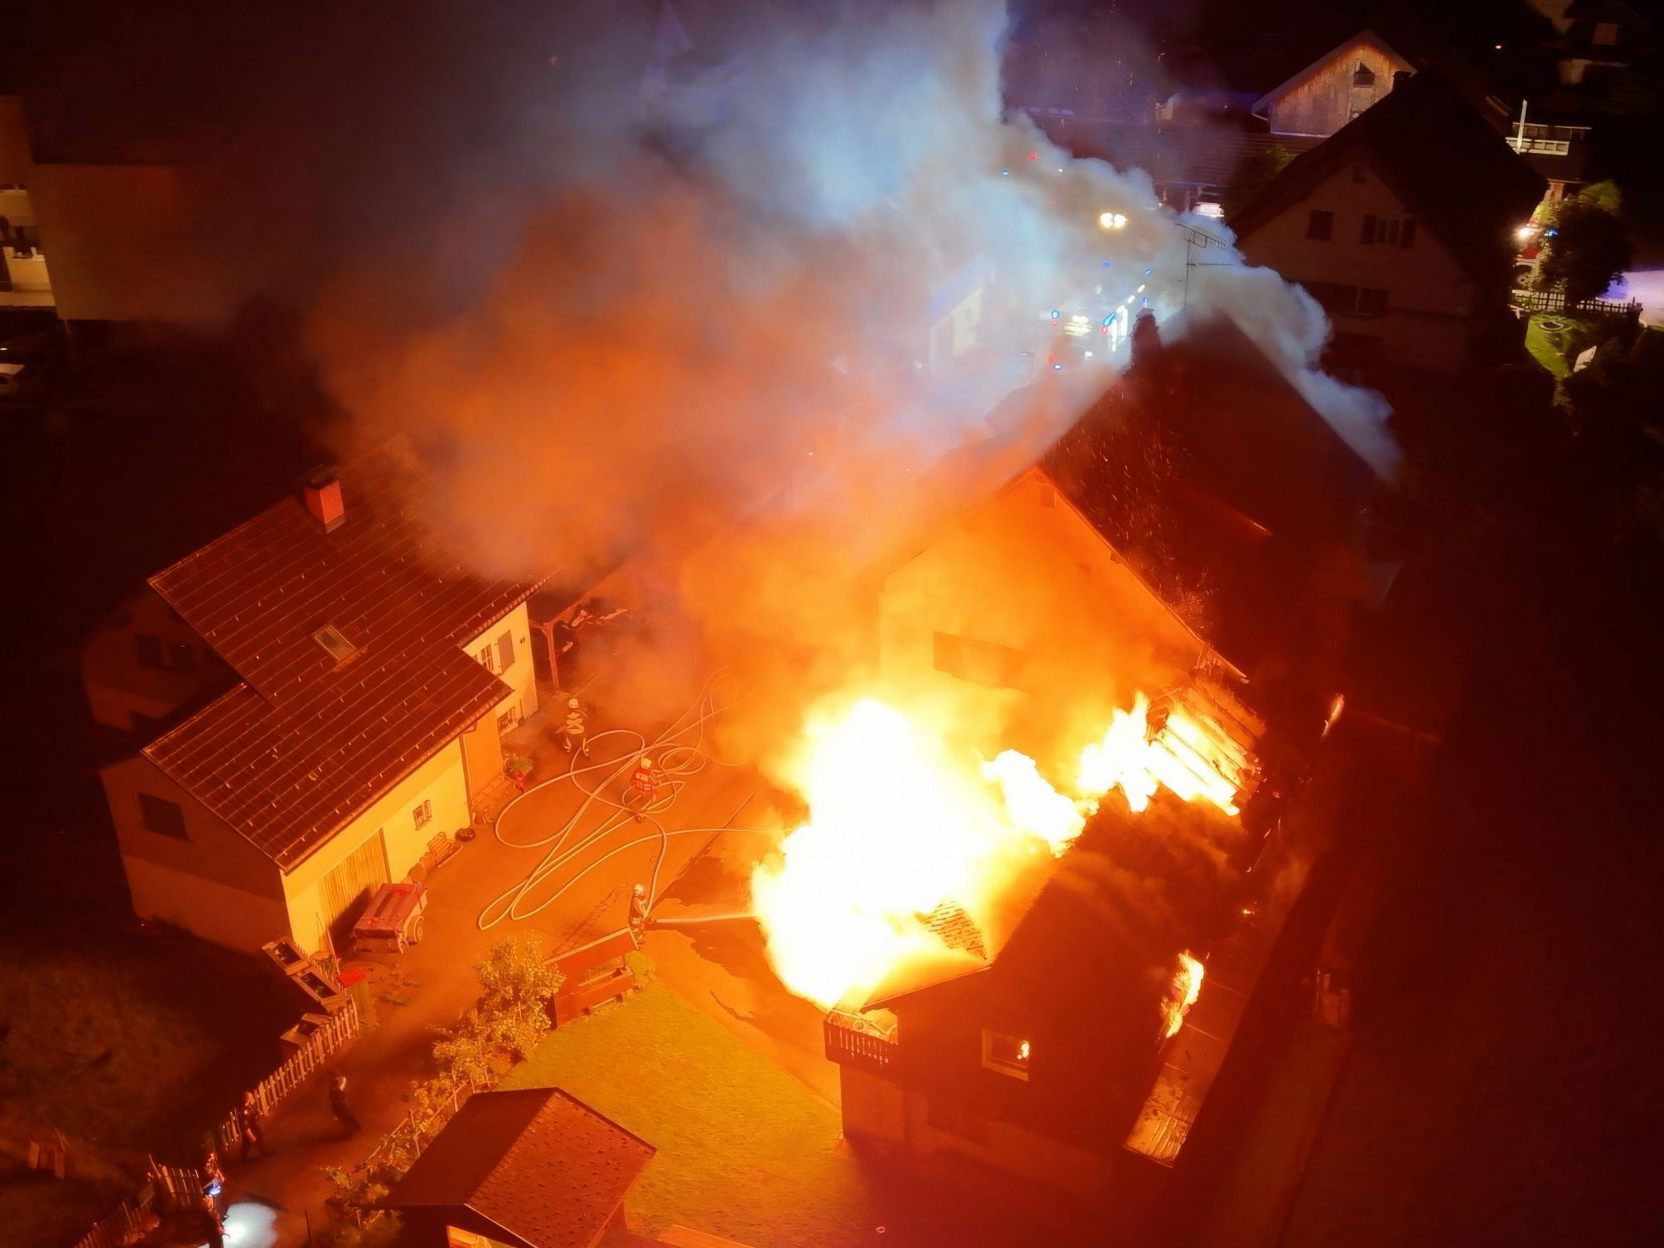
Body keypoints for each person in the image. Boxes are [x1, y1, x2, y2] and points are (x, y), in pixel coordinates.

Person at [624, 756, 659, 823]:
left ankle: (642, 798)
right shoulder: (649, 773)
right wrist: (658, 783)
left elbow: (632, 778)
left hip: (639, 787)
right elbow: (654, 782)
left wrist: (631, 784)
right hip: (647, 789)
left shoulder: (637, 771)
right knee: (652, 797)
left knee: (642, 795)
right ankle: (641, 815)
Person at [329, 1069, 361, 1135]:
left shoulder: (337, 1087)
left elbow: (335, 1096)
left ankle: (351, 1129)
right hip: (339, 1104)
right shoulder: (337, 1085)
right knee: (346, 1116)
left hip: (340, 1104)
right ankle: (354, 1127)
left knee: (345, 1116)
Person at [238, 1091, 266, 1161]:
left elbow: (255, 1113)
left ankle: (264, 1151)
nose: (252, 1098)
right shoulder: (244, 1109)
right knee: (248, 1142)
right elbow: (244, 1122)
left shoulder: (251, 1105)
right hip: (249, 1128)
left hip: (254, 1126)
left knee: (259, 1138)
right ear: (247, 1099)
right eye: (250, 1097)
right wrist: (249, 1132)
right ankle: (244, 1157)